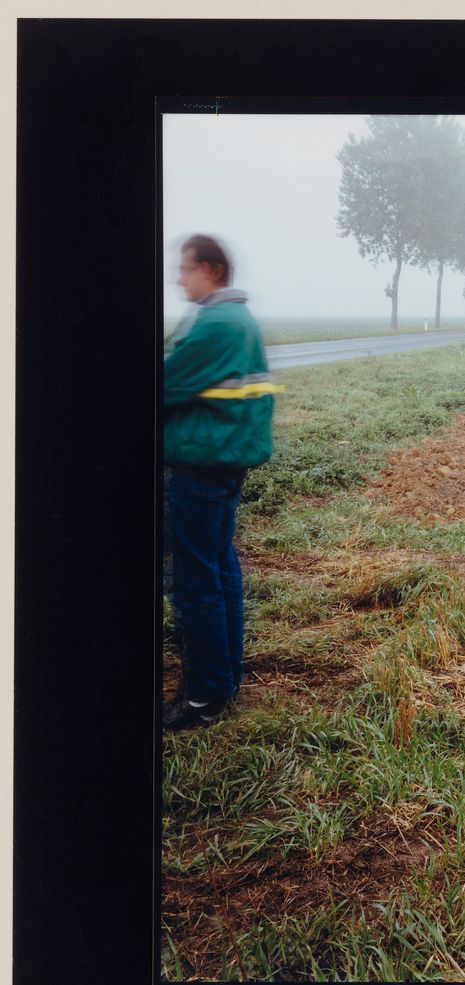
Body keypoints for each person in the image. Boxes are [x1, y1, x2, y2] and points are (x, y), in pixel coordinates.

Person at [162, 234, 280, 730]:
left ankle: (203, 700)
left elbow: (161, 385)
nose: (178, 278)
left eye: (185, 268)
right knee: (221, 571)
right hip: (224, 467)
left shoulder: (215, 323)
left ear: (211, 269)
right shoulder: (240, 319)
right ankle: (225, 682)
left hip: (200, 468)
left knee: (195, 583)